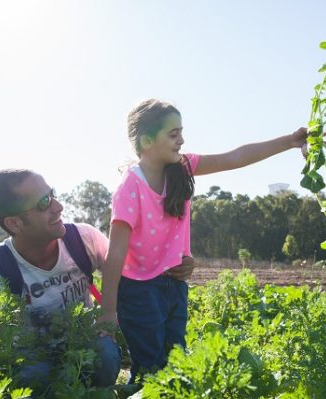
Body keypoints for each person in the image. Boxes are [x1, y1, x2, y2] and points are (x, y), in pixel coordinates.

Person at [100, 99, 311, 383]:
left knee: (176, 362)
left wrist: (289, 141)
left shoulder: (183, 167)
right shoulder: (130, 187)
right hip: (139, 292)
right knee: (149, 367)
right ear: (147, 140)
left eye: (181, 132)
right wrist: (108, 312)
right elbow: (115, 255)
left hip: (174, 283)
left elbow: (234, 157)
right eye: (173, 134)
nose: (181, 140)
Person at [0, 168, 195, 388]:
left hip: (85, 348)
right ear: (15, 223)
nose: (59, 206)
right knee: (33, 375)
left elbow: (133, 271)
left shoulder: (82, 239)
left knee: (105, 354)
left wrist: (175, 262)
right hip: (33, 360)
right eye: (44, 203)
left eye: (51, 195)